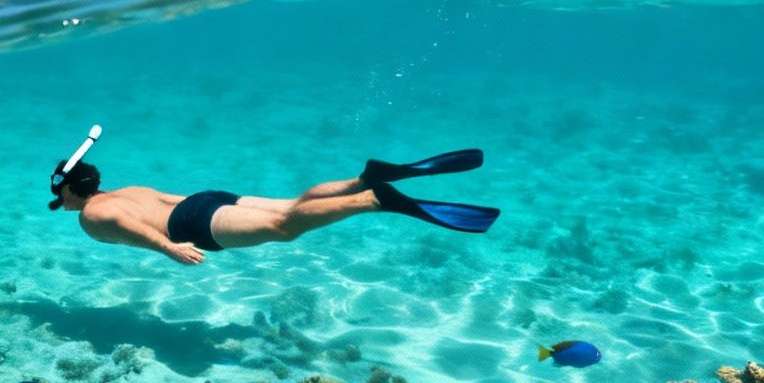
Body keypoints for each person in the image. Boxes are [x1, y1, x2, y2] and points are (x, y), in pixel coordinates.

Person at [47, 129, 497, 265]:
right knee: (292, 205)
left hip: (191, 226)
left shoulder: (92, 214)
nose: (57, 197)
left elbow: (131, 228)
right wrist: (217, 204)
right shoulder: (129, 189)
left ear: (71, 188)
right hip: (205, 200)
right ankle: (362, 180)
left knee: (285, 229)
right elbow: (171, 197)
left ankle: (376, 199)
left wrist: (171, 248)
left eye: (58, 189)